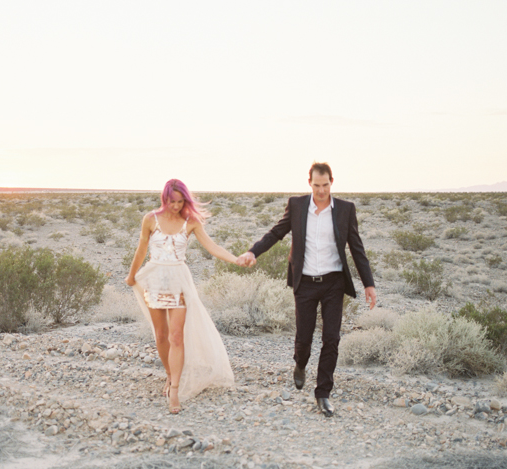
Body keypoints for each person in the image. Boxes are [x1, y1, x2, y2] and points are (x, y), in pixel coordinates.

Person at [237, 162, 376, 417]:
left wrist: (369, 284)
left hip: (334, 282)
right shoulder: (298, 206)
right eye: (316, 185)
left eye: (325, 185)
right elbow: (276, 233)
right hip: (305, 283)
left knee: (331, 339)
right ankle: (300, 364)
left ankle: (323, 393)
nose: (321, 191)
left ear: (332, 182)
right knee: (303, 339)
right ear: (309, 182)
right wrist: (253, 251)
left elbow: (357, 247)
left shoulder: (345, 209)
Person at [125, 179, 239, 413]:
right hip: (154, 280)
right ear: (163, 198)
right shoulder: (150, 219)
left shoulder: (191, 221)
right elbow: (141, 249)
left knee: (176, 336)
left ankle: (175, 389)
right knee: (161, 334)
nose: (176, 206)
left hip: (179, 282)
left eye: (180, 202)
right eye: (171, 201)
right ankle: (169, 374)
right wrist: (131, 275)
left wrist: (236, 260)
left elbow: (212, 247)